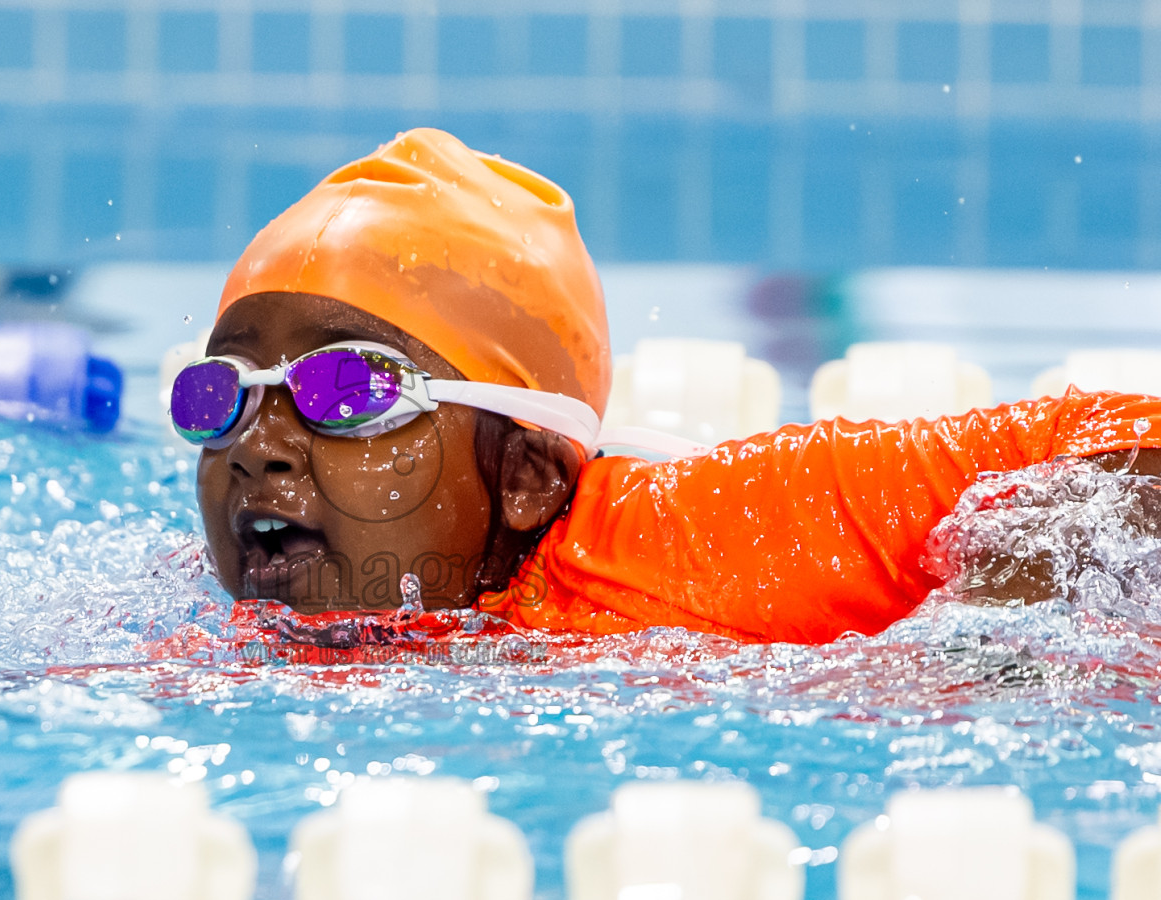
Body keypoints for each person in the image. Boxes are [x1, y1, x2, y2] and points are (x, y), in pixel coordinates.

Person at [168, 128, 1161, 645]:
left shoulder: (701, 534)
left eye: (350, 387)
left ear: (526, 473)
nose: (258, 441)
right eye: (222, 394)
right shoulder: (216, 639)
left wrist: (993, 633)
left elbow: (1135, 440)